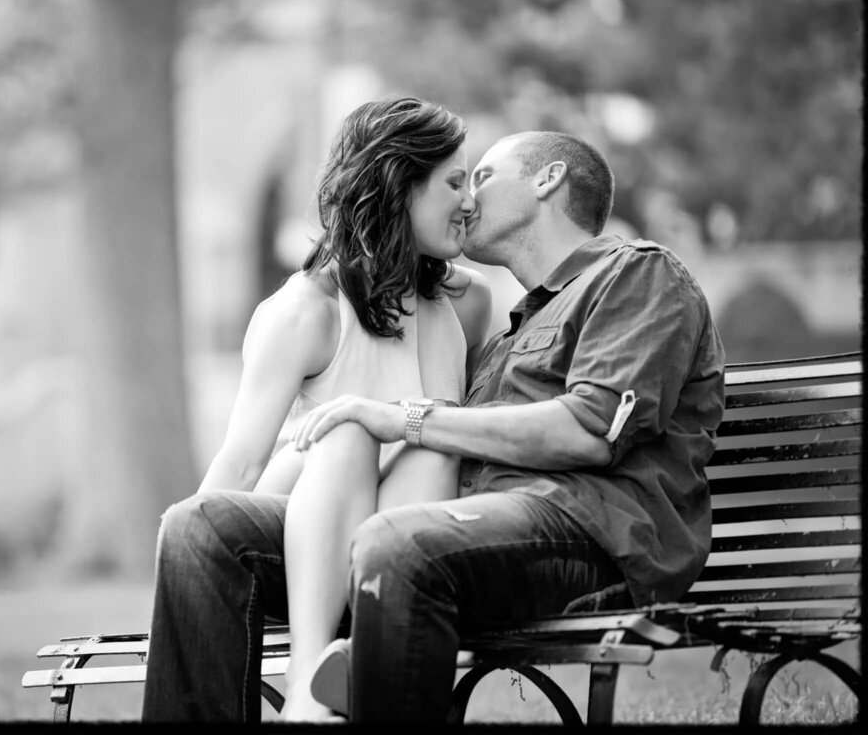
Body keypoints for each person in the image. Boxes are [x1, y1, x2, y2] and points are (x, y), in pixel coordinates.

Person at [141, 129, 725, 723]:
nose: (468, 199)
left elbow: (591, 430)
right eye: (458, 183)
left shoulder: (637, 275)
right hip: (462, 531)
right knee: (201, 528)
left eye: (483, 177)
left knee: (398, 541)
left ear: (548, 179)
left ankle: (331, 686)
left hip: (585, 534)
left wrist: (410, 420)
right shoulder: (509, 334)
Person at [194, 95, 492, 720]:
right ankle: (309, 686)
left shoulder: (466, 303)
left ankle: (362, 656)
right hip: (300, 520)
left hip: (396, 536)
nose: (471, 201)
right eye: (455, 182)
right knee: (352, 431)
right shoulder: (306, 311)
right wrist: (187, 573)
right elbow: (242, 464)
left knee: (434, 442)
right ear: (398, 187)